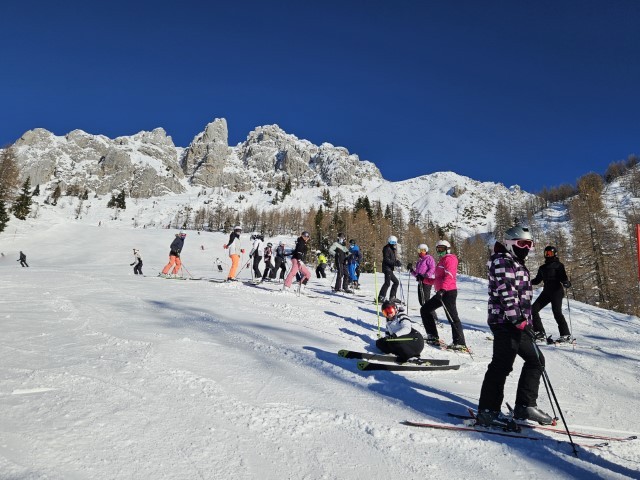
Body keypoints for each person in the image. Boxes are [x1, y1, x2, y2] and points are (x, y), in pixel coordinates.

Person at [476, 225, 553, 431]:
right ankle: (488, 411)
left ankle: (525, 406)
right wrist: (517, 318)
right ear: (510, 244)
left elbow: (522, 297)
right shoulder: (503, 261)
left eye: (529, 244)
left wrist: (527, 321)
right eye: (522, 244)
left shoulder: (515, 262)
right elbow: (506, 292)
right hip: (504, 322)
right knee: (502, 364)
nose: (526, 248)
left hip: (518, 323)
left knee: (536, 360)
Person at [420, 240, 468, 350]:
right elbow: (438, 279)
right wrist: (424, 279)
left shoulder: (450, 259)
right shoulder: (442, 260)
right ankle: (432, 336)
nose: (439, 251)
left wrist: (443, 290)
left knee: (452, 316)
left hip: (448, 292)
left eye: (441, 248)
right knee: (425, 310)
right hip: (441, 292)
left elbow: (449, 276)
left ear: (447, 249)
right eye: (438, 249)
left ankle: (460, 342)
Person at [531, 246, 573, 343]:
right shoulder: (542, 268)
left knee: (557, 312)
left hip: (556, 292)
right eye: (546, 253)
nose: (548, 255)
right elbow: (537, 280)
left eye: (550, 253)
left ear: (555, 254)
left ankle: (565, 335)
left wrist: (566, 282)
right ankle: (540, 333)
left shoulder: (559, 265)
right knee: (533, 309)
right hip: (546, 292)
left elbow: (563, 277)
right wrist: (526, 281)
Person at [378, 236, 402, 303]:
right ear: (389, 242)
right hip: (387, 268)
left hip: (389, 269)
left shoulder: (392, 249)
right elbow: (386, 260)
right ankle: (381, 297)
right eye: (392, 242)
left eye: (394, 243)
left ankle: (392, 297)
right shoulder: (387, 248)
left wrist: (397, 261)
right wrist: (395, 263)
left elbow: (392, 259)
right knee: (387, 283)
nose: (393, 244)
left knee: (396, 282)